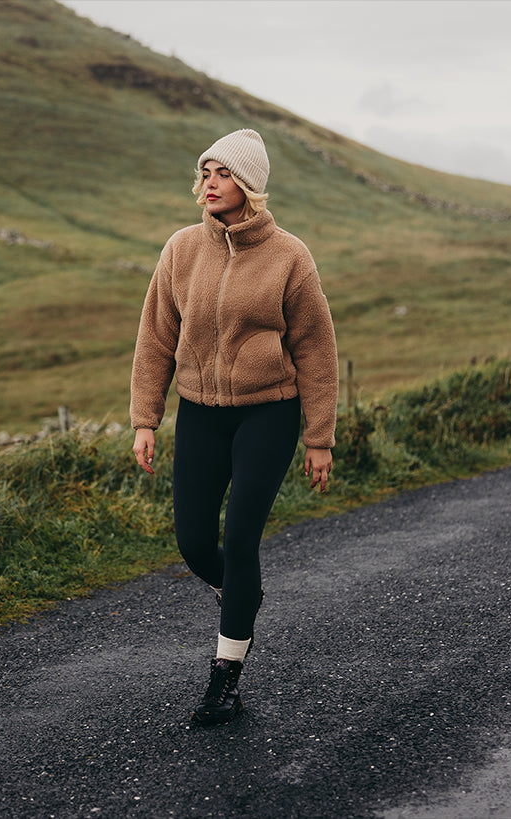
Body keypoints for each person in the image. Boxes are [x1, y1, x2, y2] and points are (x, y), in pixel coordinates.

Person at [130, 129, 338, 726]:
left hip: (268, 411)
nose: (209, 184)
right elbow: (154, 339)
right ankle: (241, 595)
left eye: (222, 173)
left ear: (248, 183)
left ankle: (225, 675)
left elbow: (316, 350)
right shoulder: (180, 250)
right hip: (199, 412)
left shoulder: (289, 256)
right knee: (195, 541)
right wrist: (146, 419)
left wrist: (318, 437)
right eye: (205, 172)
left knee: (241, 536)